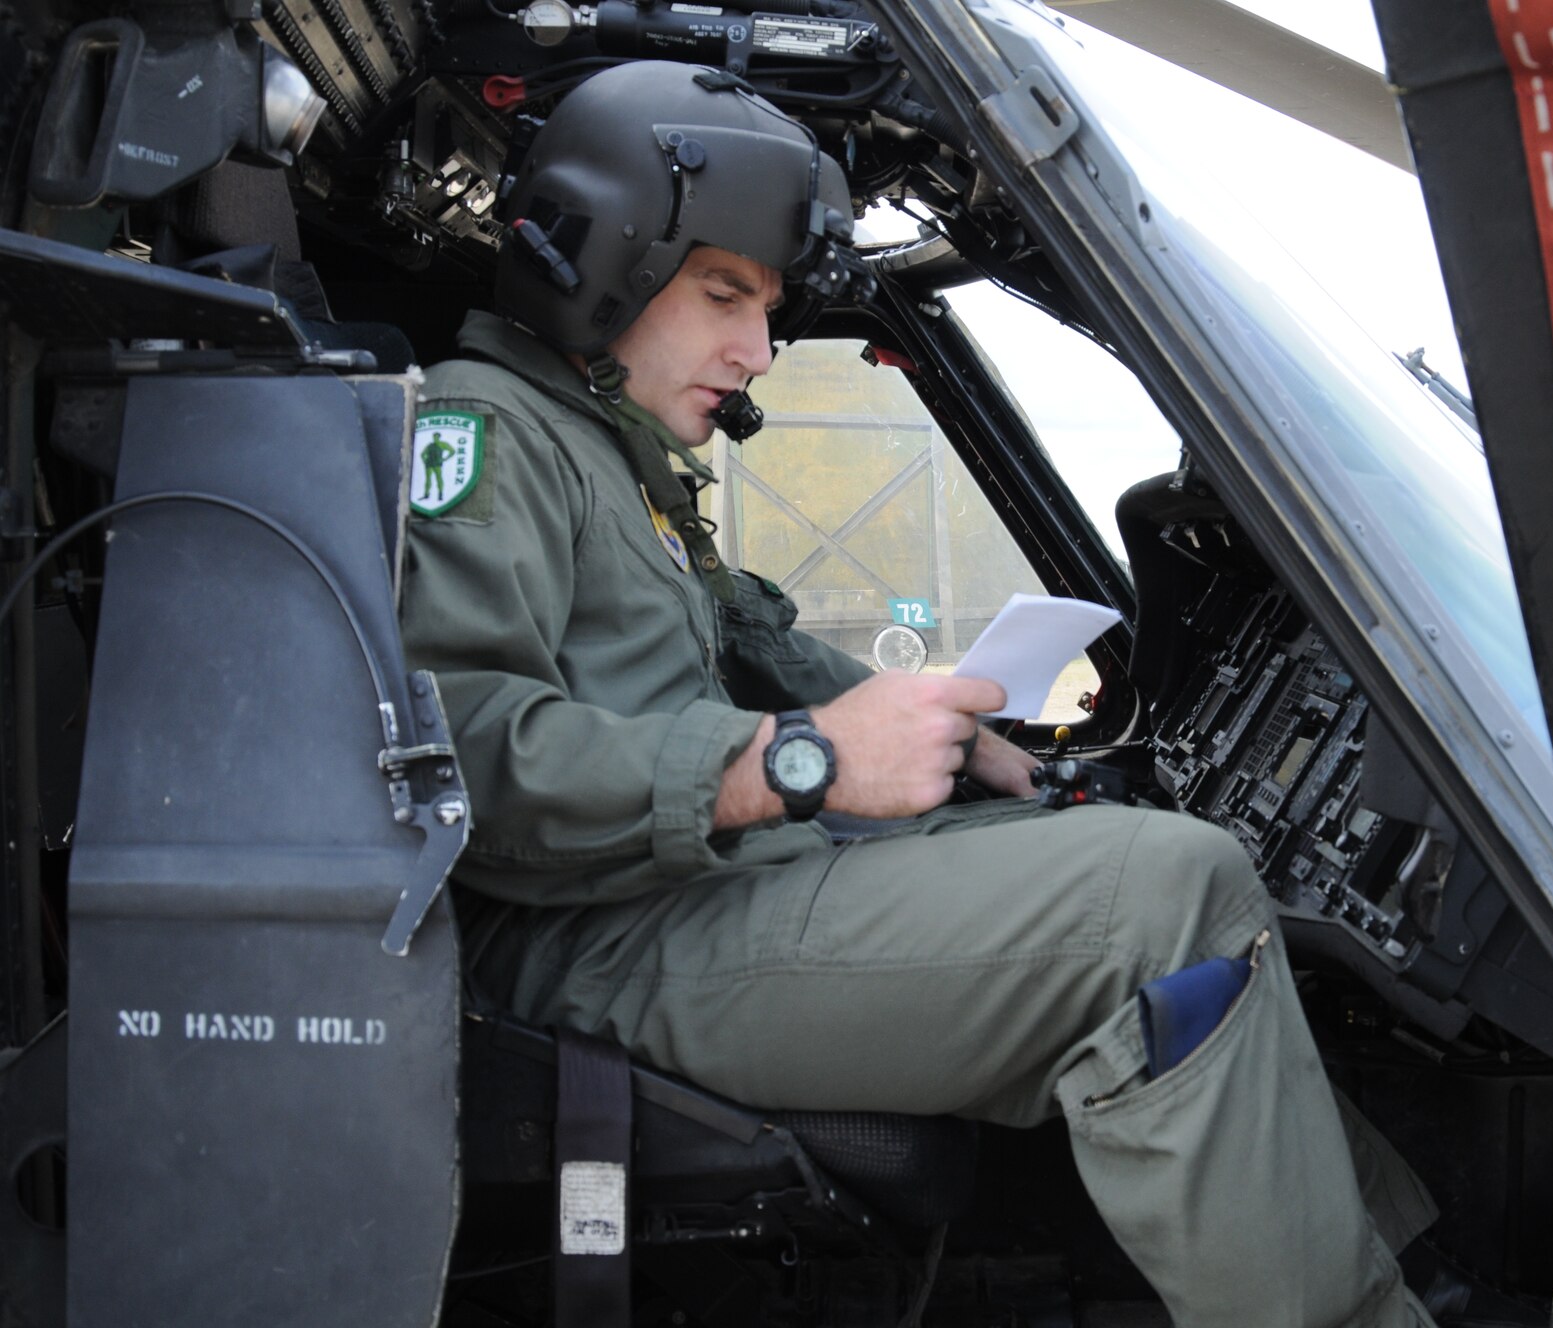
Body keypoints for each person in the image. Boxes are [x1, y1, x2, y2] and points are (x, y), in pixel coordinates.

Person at [398, 60, 1430, 1328]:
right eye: (725, 292)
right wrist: (799, 763)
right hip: (592, 937)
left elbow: (753, 645)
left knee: (1116, 846)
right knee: (1169, 896)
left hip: (687, 890)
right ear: (595, 260)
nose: (757, 349)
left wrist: (959, 738)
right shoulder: (486, 432)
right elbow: (463, 758)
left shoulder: (616, 457)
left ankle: (1405, 1268)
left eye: (767, 308)